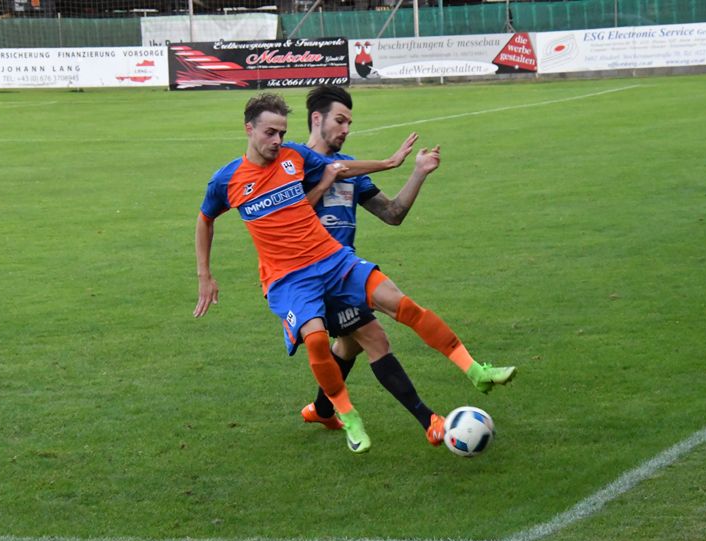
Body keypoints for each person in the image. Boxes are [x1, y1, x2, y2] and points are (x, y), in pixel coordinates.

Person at [194, 93, 515, 454]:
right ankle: (361, 417)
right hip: (291, 278)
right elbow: (207, 218)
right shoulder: (227, 180)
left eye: (282, 133)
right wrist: (205, 275)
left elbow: (360, 187)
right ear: (249, 129)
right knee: (347, 340)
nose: (278, 140)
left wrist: (394, 163)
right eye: (270, 132)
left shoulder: (296, 157)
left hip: (335, 261)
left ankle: (473, 371)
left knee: (388, 315)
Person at [298, 84, 450, 447]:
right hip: (314, 279)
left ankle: (322, 409)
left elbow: (392, 213)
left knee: (349, 345)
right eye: (340, 120)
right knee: (375, 338)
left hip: (347, 273)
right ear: (317, 119)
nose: (346, 128)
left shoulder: (350, 170)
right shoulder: (294, 167)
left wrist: (418, 173)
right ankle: (429, 420)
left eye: (349, 122)